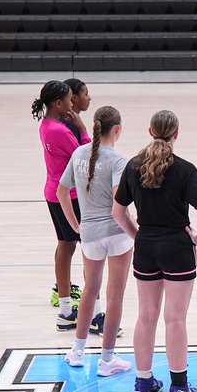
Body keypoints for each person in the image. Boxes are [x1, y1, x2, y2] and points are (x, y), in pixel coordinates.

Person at [112, 110, 197, 392]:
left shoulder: (133, 166)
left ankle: (143, 381)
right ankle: (179, 387)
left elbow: (119, 212)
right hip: (177, 246)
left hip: (146, 246)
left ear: (149, 130)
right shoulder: (185, 169)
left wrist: (138, 236)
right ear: (176, 134)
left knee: (146, 315)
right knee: (175, 318)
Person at [56, 105, 133, 376]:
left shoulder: (79, 153)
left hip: (89, 234)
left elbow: (61, 191)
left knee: (91, 289)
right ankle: (107, 359)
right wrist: (136, 232)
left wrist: (76, 225)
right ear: (118, 129)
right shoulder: (118, 160)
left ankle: (77, 352)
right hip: (117, 233)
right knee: (115, 295)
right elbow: (118, 203)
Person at [32, 80, 88, 329]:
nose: (71, 103)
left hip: (53, 191)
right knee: (80, 246)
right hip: (69, 196)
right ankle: (80, 310)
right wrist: (83, 128)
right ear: (58, 103)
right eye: (68, 100)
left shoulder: (46, 125)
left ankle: (65, 305)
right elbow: (85, 157)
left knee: (65, 244)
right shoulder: (61, 130)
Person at [63, 78, 91, 143]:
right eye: (86, 94)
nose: (89, 98)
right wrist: (82, 129)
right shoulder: (71, 125)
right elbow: (84, 152)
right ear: (74, 98)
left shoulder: (65, 120)